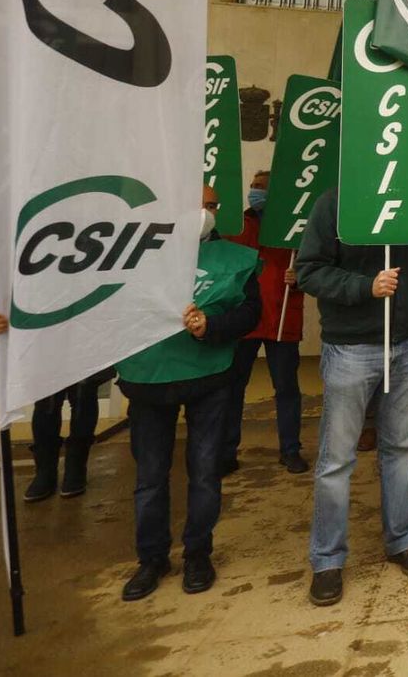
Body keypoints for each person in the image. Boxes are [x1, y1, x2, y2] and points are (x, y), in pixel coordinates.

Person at [297, 186, 408, 607]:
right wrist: (365, 287)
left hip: (407, 343)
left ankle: (401, 540)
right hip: (350, 347)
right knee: (336, 459)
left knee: (401, 448)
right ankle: (327, 559)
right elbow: (309, 270)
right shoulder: (335, 202)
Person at [112, 184, 261, 600]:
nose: (204, 213)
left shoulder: (234, 259)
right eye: (196, 204)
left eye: (211, 205)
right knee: (150, 478)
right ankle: (151, 559)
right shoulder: (134, 253)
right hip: (148, 381)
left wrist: (211, 327)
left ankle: (198, 554)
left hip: (209, 379)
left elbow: (250, 314)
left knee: (205, 473)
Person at [223, 170, 307, 475]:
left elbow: (315, 266)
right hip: (244, 319)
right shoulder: (238, 224)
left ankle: (290, 450)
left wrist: (300, 277)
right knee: (234, 388)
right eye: (253, 186)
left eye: (261, 187)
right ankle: (227, 452)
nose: (254, 191)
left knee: (286, 388)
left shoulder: (294, 227)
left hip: (282, 318)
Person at [0, 314, 109, 501]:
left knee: (83, 397)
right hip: (45, 332)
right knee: (47, 402)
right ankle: (45, 471)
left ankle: (76, 466)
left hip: (84, 329)